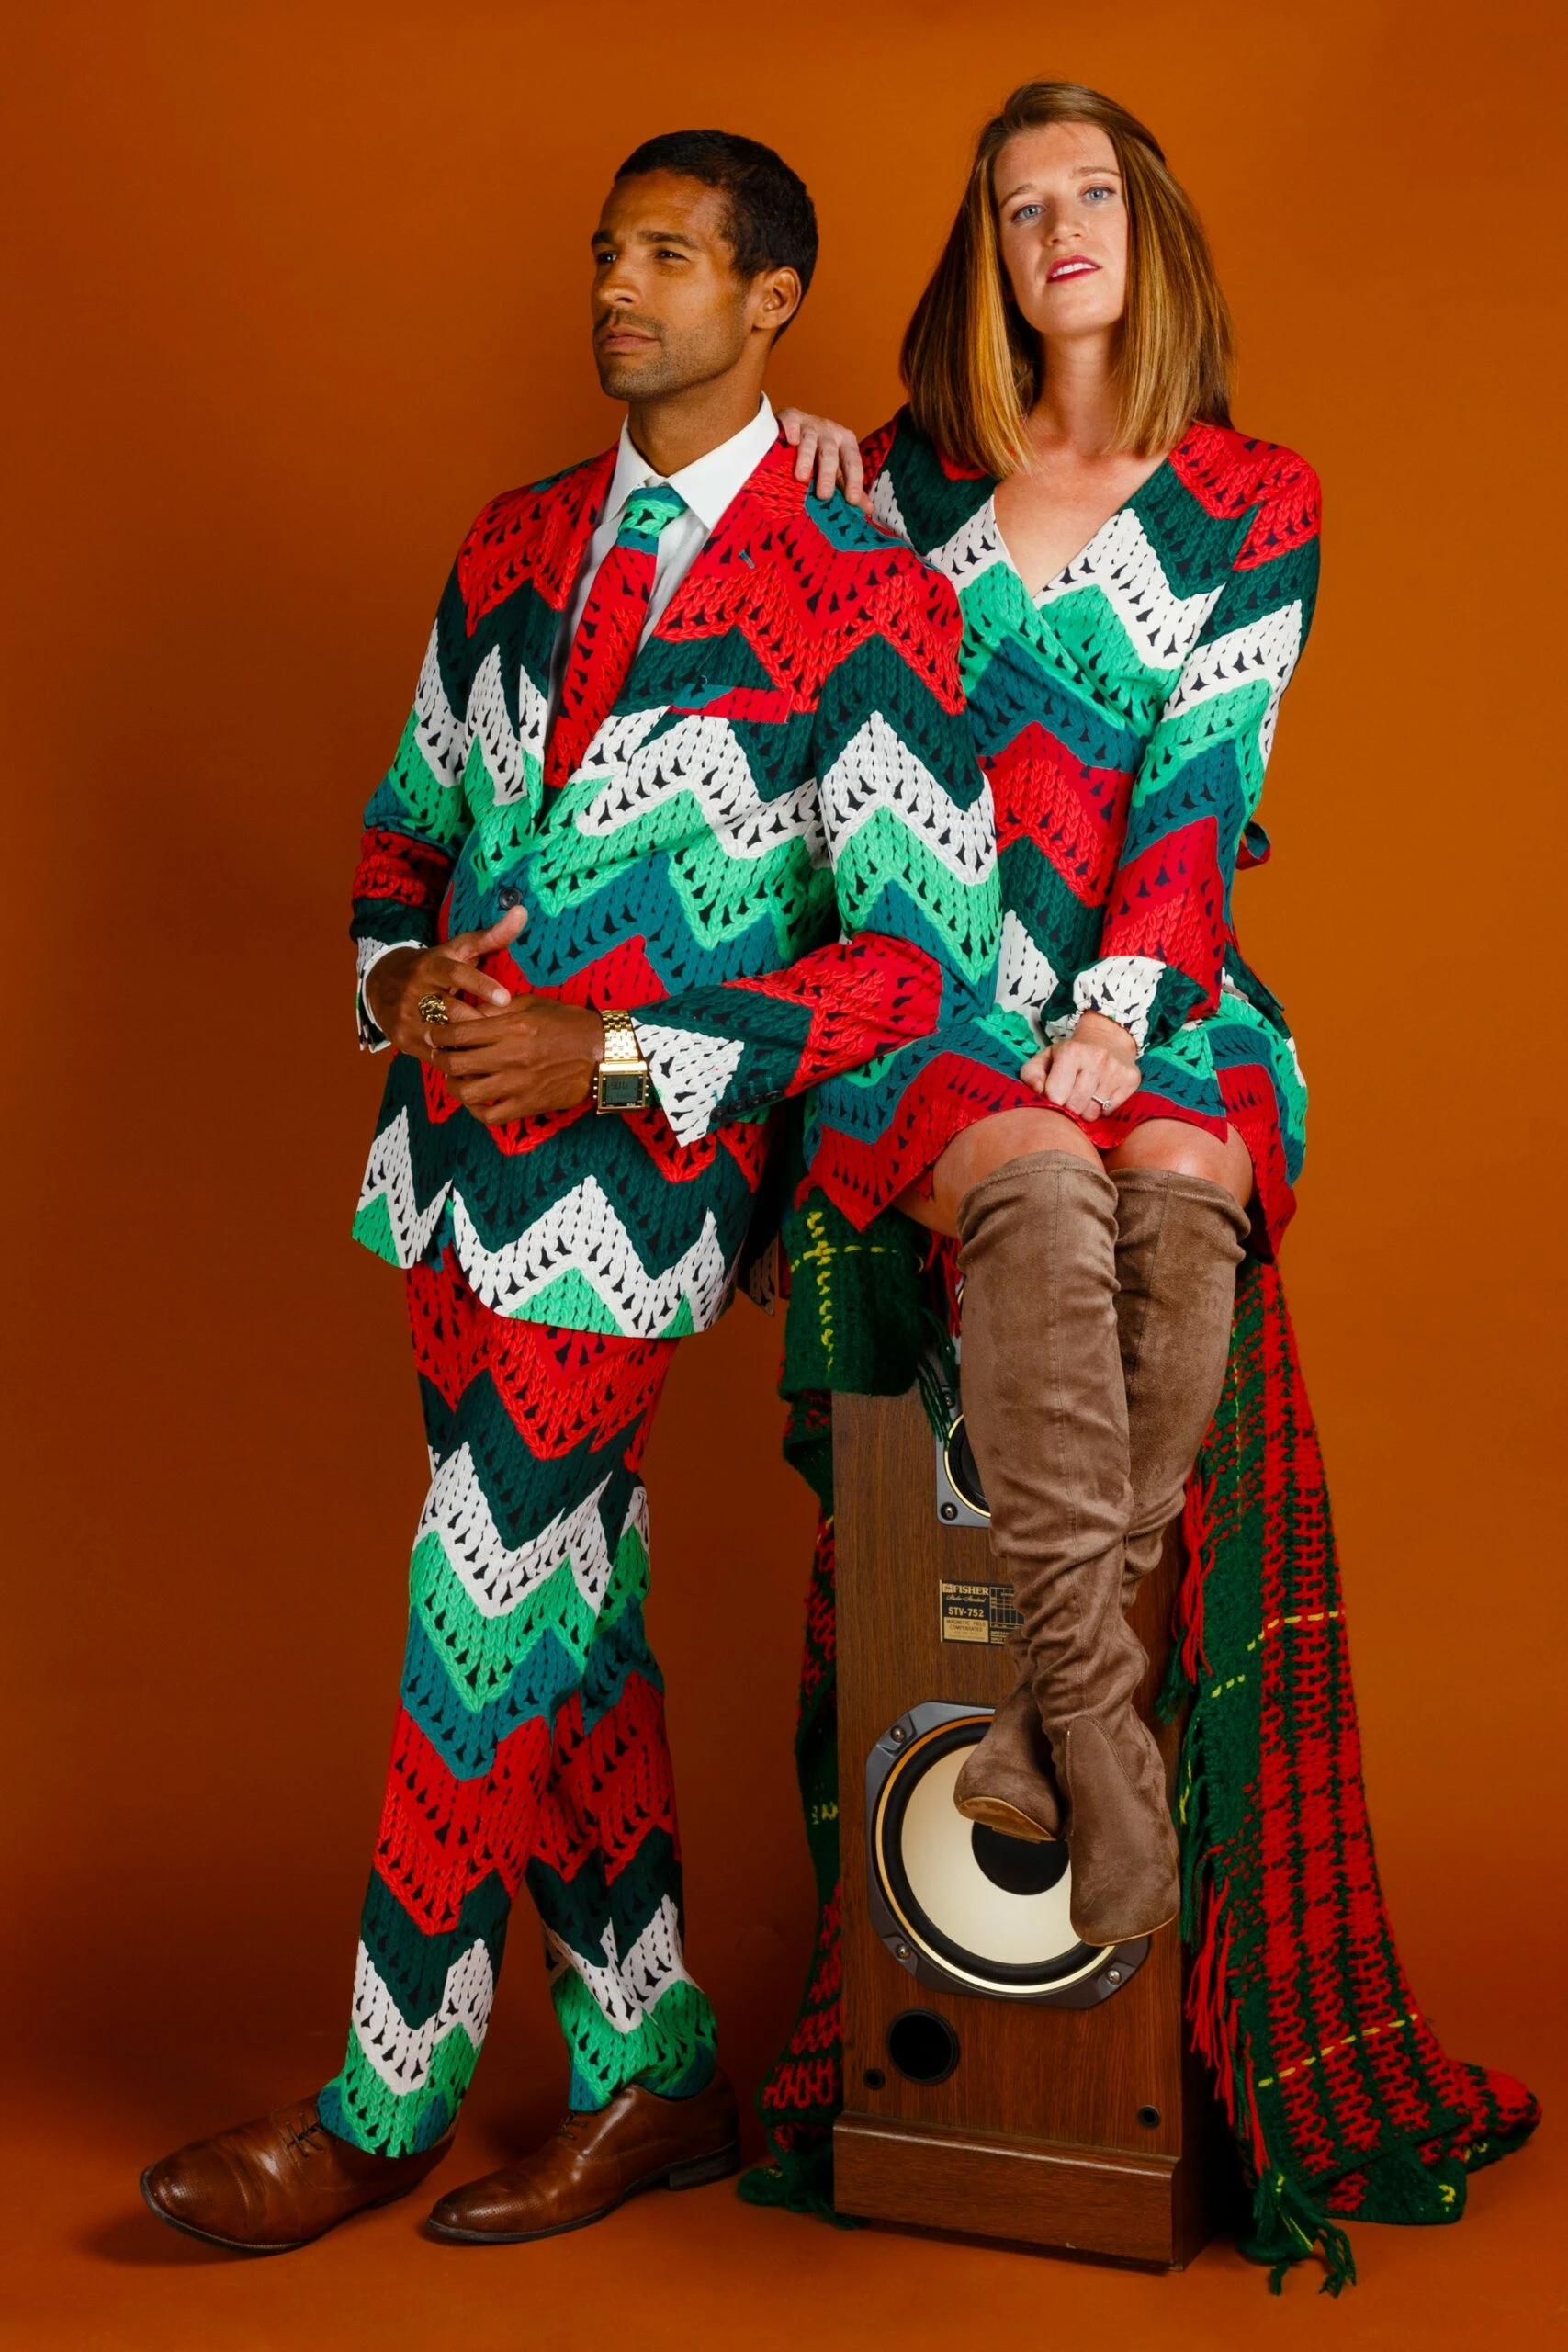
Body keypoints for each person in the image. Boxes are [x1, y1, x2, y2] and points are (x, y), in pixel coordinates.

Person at [140, 127, 1007, 2256]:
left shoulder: (859, 585)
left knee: (478, 1600)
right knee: (566, 1605)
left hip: (631, 1204)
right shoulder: (516, 539)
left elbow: (916, 967)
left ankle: (379, 2095)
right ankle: (649, 2062)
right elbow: (399, 830)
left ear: (771, 298)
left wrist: (610, 1051)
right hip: (440, 1177)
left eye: (672, 256)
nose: (620, 285)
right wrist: (401, 977)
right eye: (609, 250)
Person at [779, 80, 1319, 1951]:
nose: (1060, 231)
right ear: (988, 255)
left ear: (1146, 232)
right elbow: (797, 674)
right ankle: (1100, 1724)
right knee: (1041, 1184)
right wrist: (803, 472)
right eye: (1022, 208)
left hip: (1162, 975)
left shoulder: (1250, 498)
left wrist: (1114, 1010)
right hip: (925, 987)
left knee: (1184, 1172)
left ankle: (1038, 1717)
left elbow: (1200, 773)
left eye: (1091, 195)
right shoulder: (904, 483)